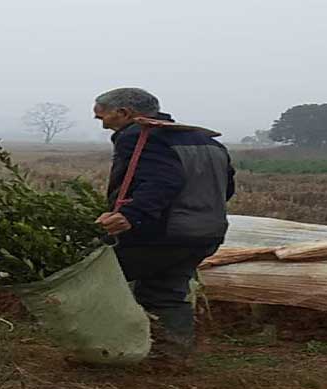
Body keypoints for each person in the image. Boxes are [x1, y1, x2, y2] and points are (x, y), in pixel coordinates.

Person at [93, 87, 235, 359]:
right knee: (166, 291)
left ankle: (107, 349)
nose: (103, 124)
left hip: (162, 233)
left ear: (124, 113)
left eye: (103, 118)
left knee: (102, 281)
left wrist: (130, 214)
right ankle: (172, 356)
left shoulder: (139, 136)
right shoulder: (206, 141)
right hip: (206, 233)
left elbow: (163, 181)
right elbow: (225, 189)